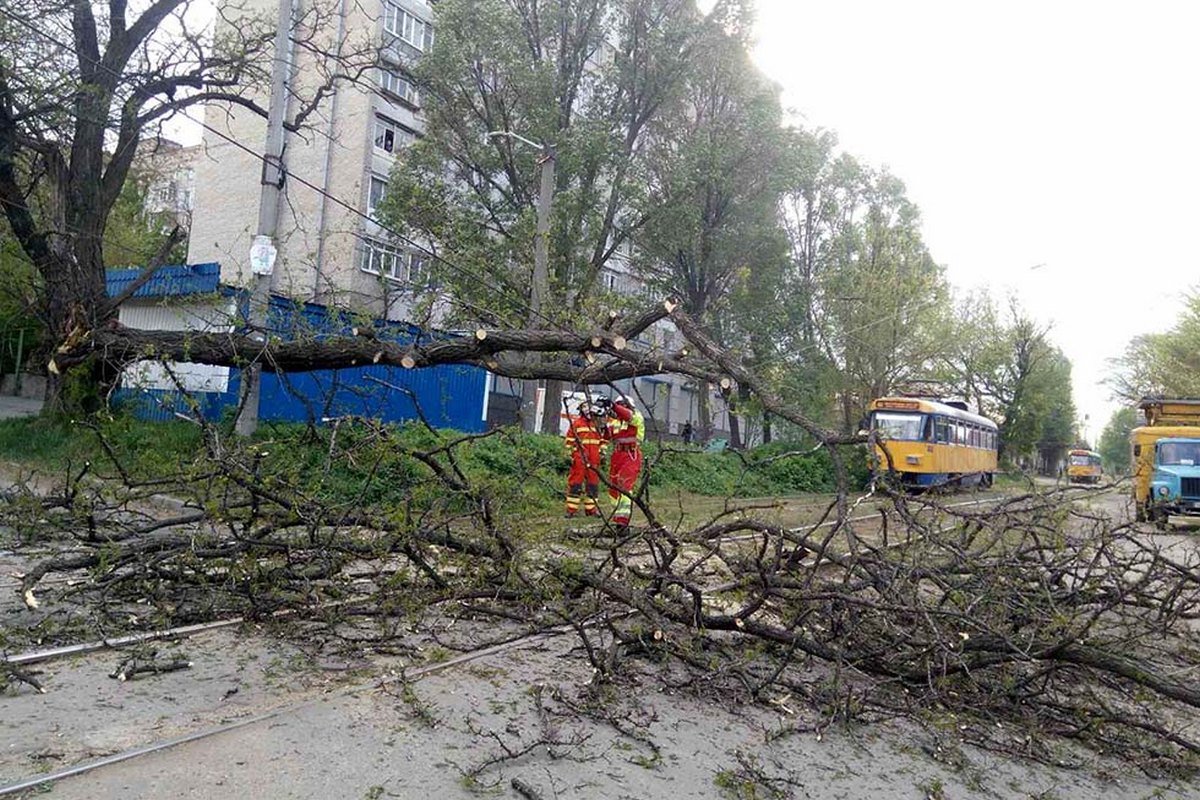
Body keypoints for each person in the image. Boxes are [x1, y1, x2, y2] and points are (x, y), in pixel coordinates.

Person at [604, 396, 645, 530]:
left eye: (622, 405)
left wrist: (614, 407)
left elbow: (629, 417)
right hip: (617, 455)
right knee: (613, 487)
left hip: (630, 454)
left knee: (624, 485)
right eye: (618, 404)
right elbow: (606, 435)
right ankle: (617, 516)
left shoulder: (636, 415)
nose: (621, 407)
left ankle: (623, 521)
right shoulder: (614, 421)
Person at [563, 401, 603, 518]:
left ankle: (591, 510)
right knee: (575, 483)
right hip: (579, 458)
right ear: (581, 410)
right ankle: (571, 510)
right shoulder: (576, 424)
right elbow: (569, 441)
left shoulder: (597, 424)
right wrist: (568, 455)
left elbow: (603, 440)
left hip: (594, 458)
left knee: (593, 484)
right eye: (585, 407)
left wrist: (602, 453)